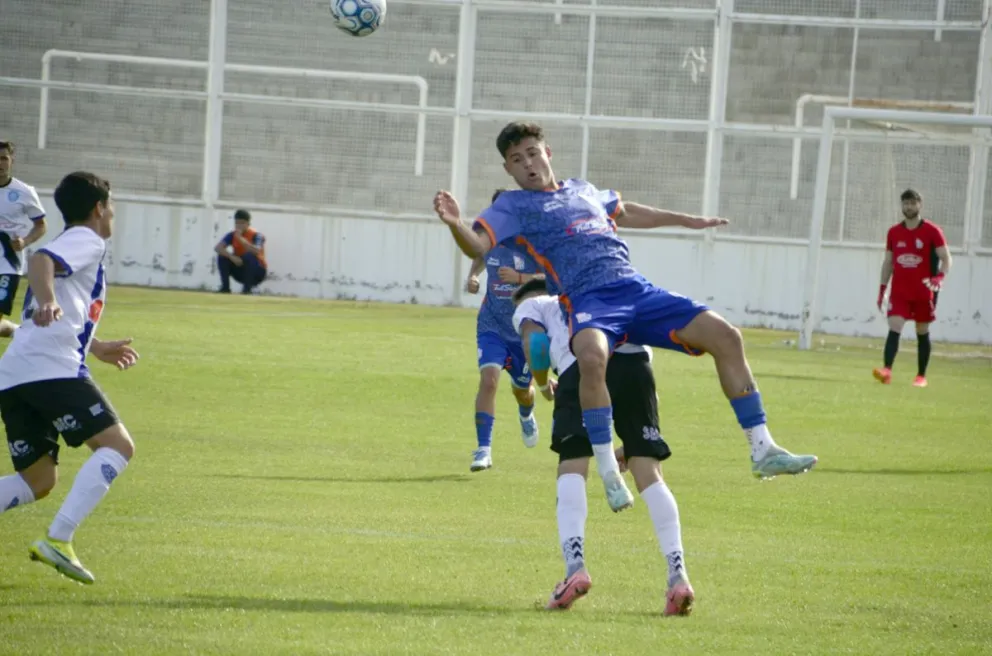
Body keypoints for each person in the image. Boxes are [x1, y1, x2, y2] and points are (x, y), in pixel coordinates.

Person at [433, 121, 817, 513]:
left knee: (726, 335)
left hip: (635, 290)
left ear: (547, 152)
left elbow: (627, 210)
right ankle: (608, 471)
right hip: (588, 299)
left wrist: (688, 220)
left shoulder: (583, 190)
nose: (528, 163)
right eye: (517, 159)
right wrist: (455, 224)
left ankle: (762, 447)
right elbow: (477, 245)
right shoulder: (513, 207)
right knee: (591, 357)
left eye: (532, 153)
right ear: (508, 169)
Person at [511, 279, 694, 616]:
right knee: (649, 472)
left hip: (579, 368)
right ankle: (677, 576)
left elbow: (536, 346)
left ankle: (575, 569)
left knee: (572, 465)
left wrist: (544, 385)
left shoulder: (536, 305)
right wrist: (631, 441)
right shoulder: (607, 291)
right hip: (636, 365)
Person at [0, 171, 138, 585]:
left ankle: (58, 539)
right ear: (98, 208)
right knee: (117, 447)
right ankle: (58, 539)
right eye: (111, 206)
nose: (112, 214)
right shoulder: (88, 239)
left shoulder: (73, 242)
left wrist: (95, 346)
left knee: (38, 480)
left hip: (16, 373)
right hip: (51, 369)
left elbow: (65, 305)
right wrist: (47, 302)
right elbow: (40, 261)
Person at [463, 189, 545, 472]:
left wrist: (521, 277)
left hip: (524, 329)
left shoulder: (532, 241)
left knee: (523, 391)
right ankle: (483, 449)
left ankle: (526, 414)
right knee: (489, 381)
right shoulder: (490, 239)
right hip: (492, 325)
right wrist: (473, 276)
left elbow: (550, 277)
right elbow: (479, 256)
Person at [873, 189, 951, 387]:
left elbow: (946, 258)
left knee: (921, 330)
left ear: (919, 205)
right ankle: (886, 370)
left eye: (912, 203)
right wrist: (882, 289)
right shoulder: (894, 232)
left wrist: (940, 277)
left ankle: (921, 376)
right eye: (906, 203)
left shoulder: (932, 231)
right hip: (900, 292)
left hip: (924, 291)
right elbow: (888, 262)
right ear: (902, 206)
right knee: (894, 326)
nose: (909, 207)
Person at [0, 140, 48, 337]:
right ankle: (18, 332)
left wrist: (25, 242)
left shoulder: (24, 192)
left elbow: (41, 225)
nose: (0, 163)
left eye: (4, 158)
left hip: (8, 264)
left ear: (12, 161)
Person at [215, 209, 267, 294]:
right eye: (237, 223)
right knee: (222, 256)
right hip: (240, 269)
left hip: (257, 271)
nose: (239, 226)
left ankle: (247, 290)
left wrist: (240, 239)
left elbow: (256, 251)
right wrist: (232, 257)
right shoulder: (232, 235)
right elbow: (218, 248)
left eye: (242, 223)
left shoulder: (257, 235)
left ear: (248, 224)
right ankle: (225, 288)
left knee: (249, 256)